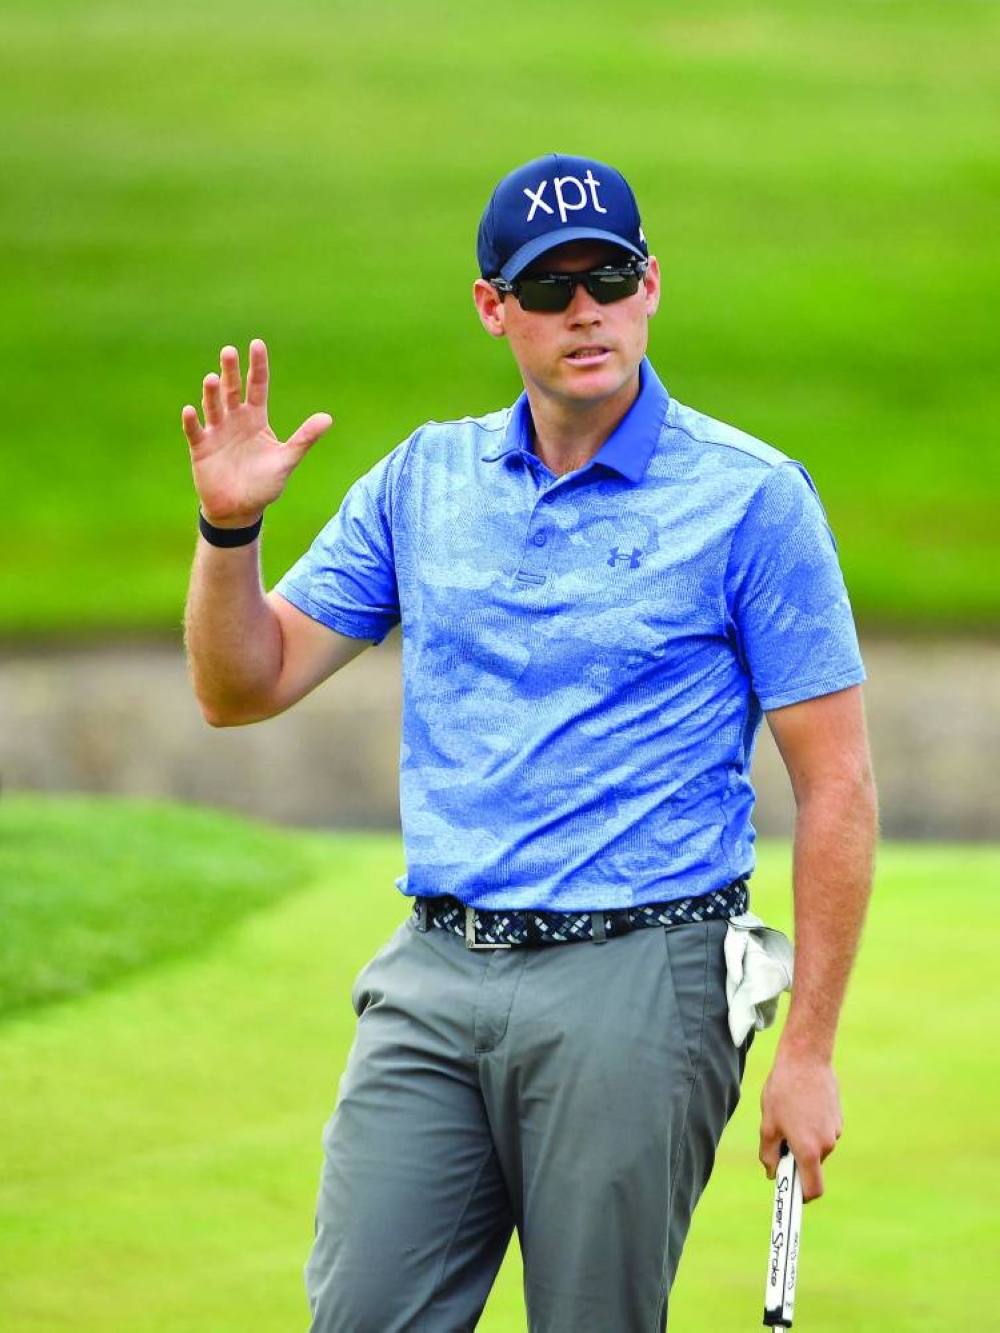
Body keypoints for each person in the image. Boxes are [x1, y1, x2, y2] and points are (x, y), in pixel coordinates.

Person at [181, 152, 878, 1332]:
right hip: (434, 975)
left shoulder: (751, 497)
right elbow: (243, 686)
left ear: (651, 284)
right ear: (492, 308)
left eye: (607, 275)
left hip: (639, 980)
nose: (584, 310)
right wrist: (228, 528)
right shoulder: (425, 480)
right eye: (547, 288)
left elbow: (838, 787)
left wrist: (805, 1049)